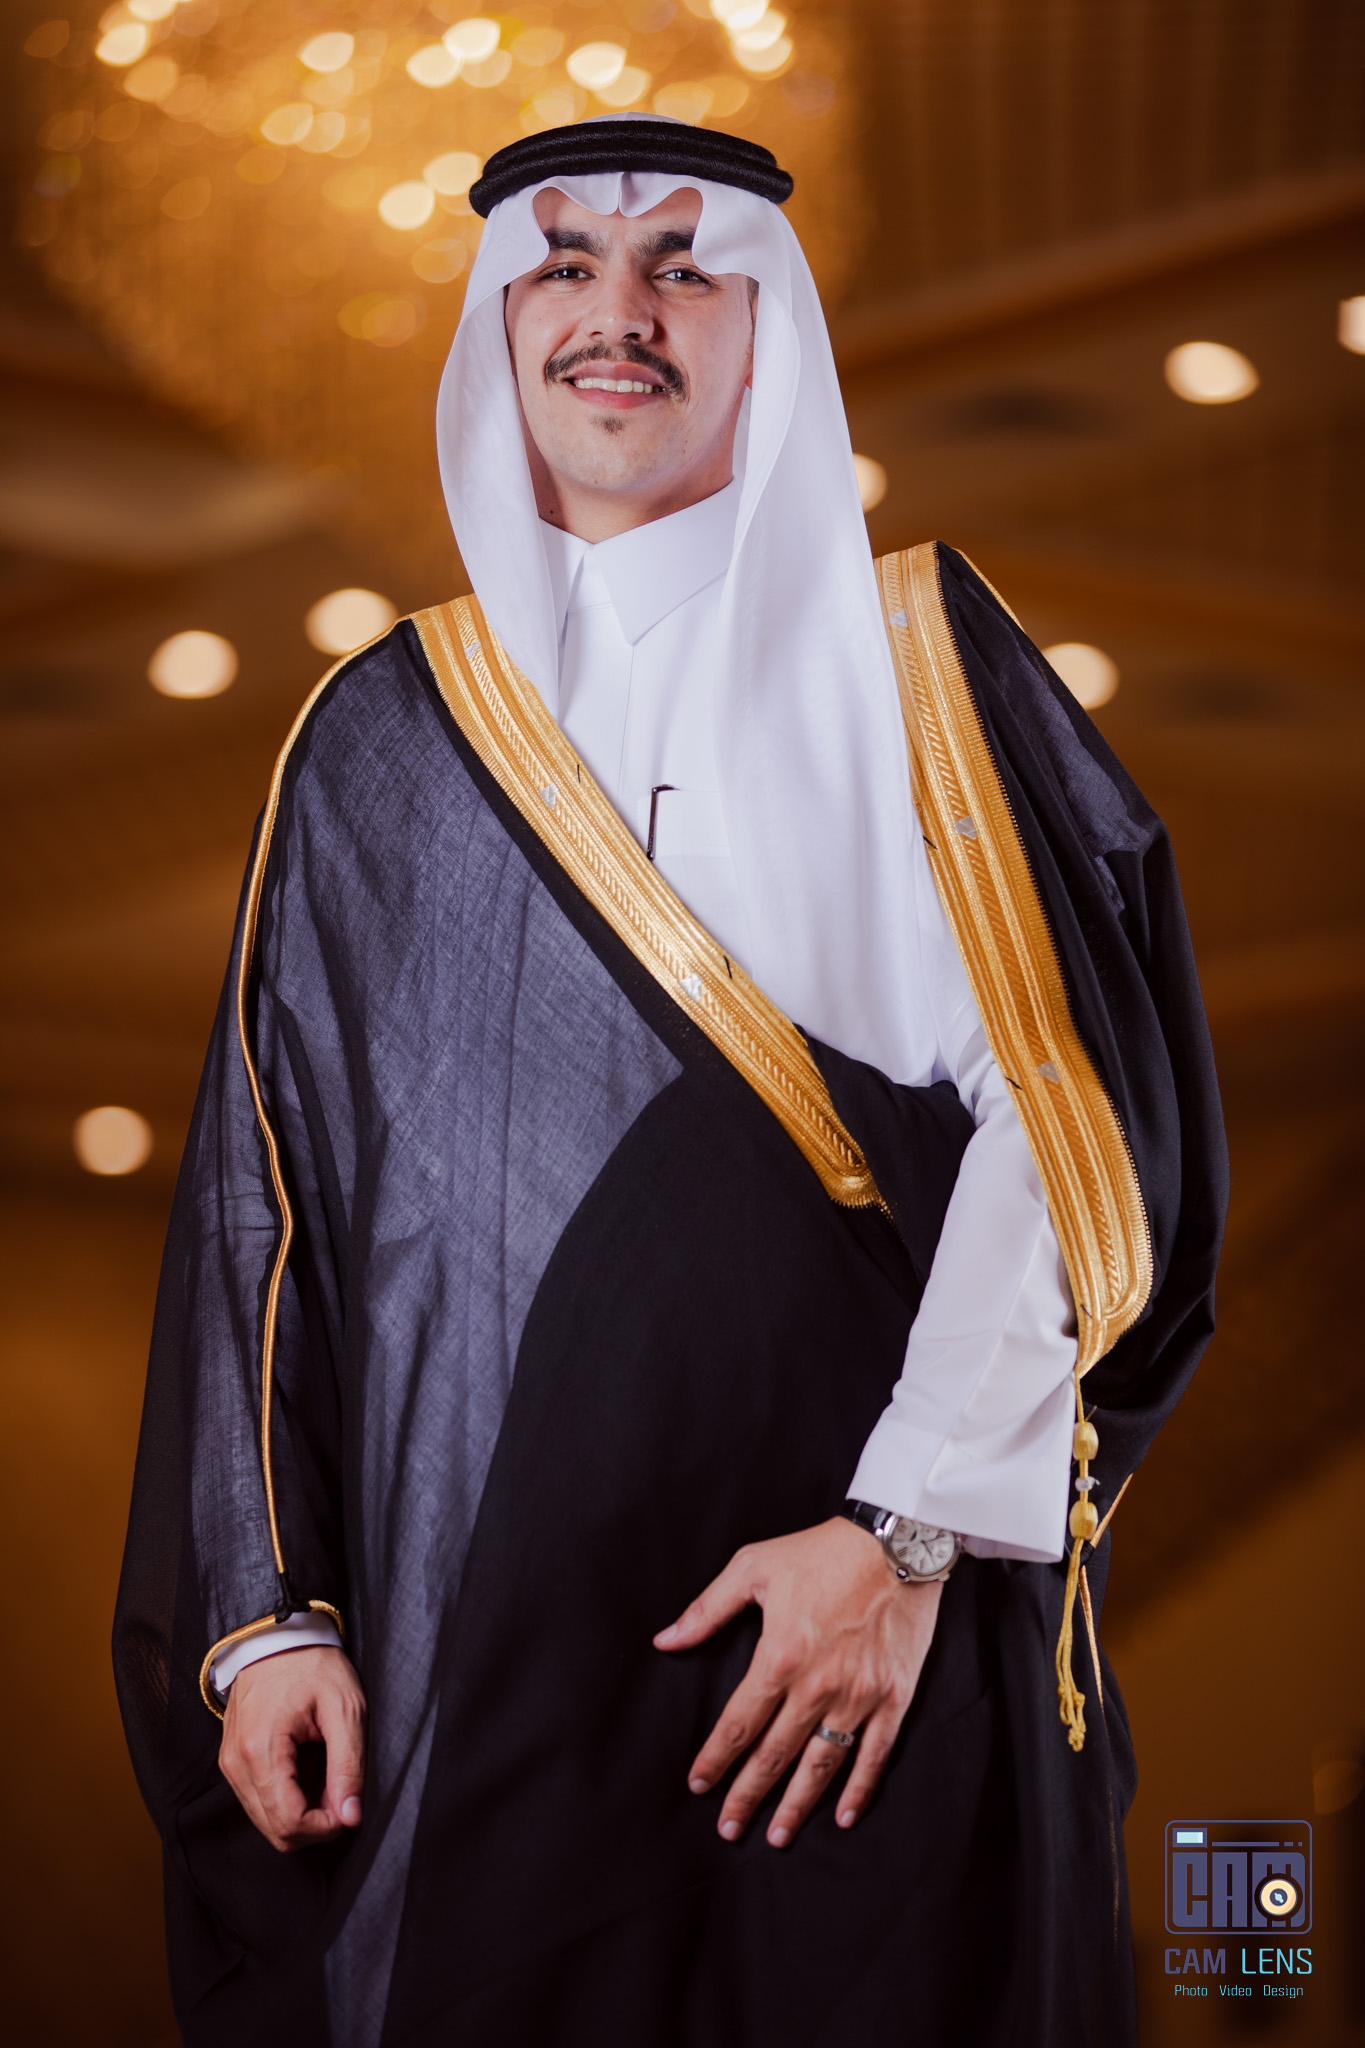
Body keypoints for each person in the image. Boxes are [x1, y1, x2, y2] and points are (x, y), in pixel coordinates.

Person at [114, 118, 1227, 2048]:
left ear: (764, 327)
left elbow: (1068, 1132)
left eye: (681, 267)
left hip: (852, 1655)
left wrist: (895, 1541)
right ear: (500, 322)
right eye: (561, 267)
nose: (614, 313)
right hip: (484, 1647)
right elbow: (264, 1206)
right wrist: (270, 1612)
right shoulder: (379, 737)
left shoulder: (923, 674)